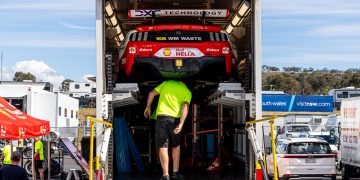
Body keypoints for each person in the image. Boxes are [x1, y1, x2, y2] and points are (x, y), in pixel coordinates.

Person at [144, 80, 191, 180]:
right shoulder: (187, 91)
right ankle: (175, 172)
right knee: (176, 146)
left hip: (162, 117)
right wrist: (182, 123)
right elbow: (185, 106)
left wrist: (148, 107)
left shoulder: (166, 83)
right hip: (175, 119)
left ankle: (165, 175)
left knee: (163, 146)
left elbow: (151, 93)